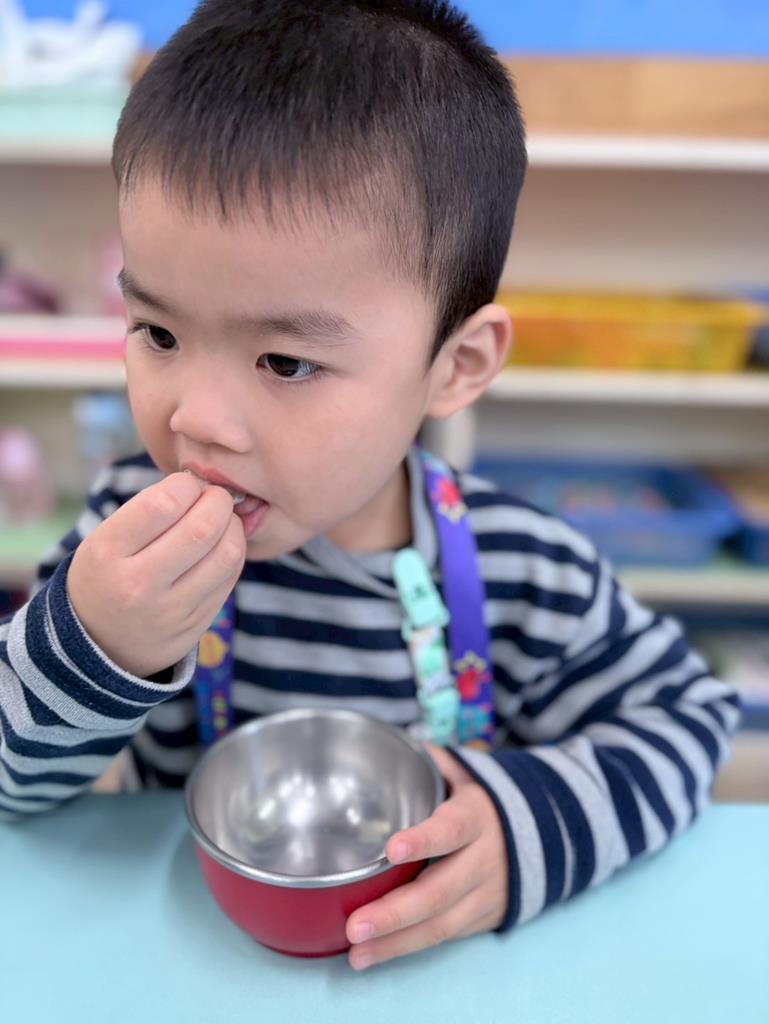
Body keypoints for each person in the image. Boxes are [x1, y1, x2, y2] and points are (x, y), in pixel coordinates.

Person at [0, 0, 739, 972]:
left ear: (454, 365)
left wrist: (525, 831)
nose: (195, 420)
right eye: (159, 334)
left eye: (285, 362)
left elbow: (689, 720)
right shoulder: (123, 538)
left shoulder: (524, 570)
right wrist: (97, 641)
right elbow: (14, 785)